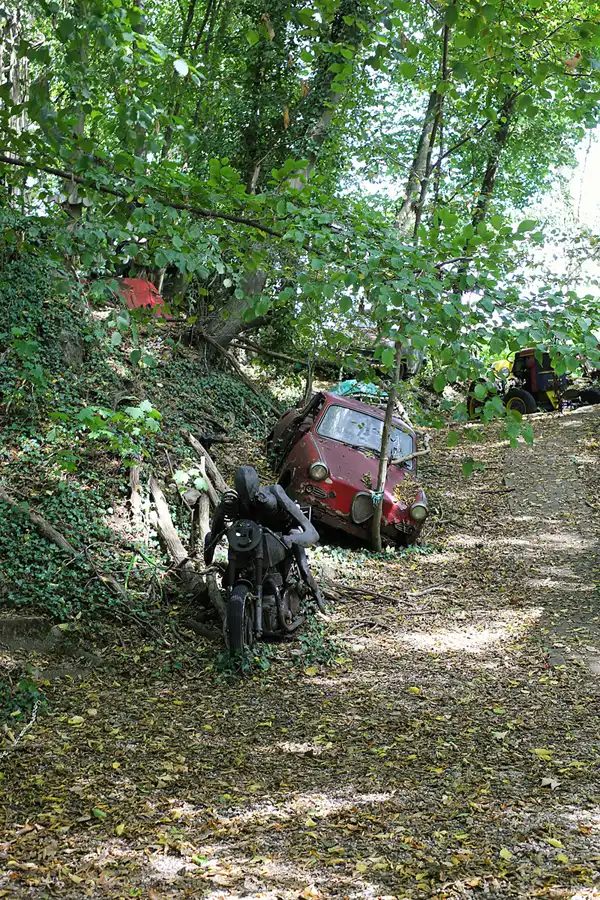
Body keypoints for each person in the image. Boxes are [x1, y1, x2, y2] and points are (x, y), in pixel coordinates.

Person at [204, 465, 325, 608]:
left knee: (302, 566)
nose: (248, 501)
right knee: (227, 580)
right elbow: (213, 534)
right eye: (244, 498)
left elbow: (312, 533)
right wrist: (210, 547)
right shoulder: (232, 501)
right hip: (250, 542)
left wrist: (292, 539)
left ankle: (313, 589)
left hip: (279, 538)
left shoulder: (275, 492)